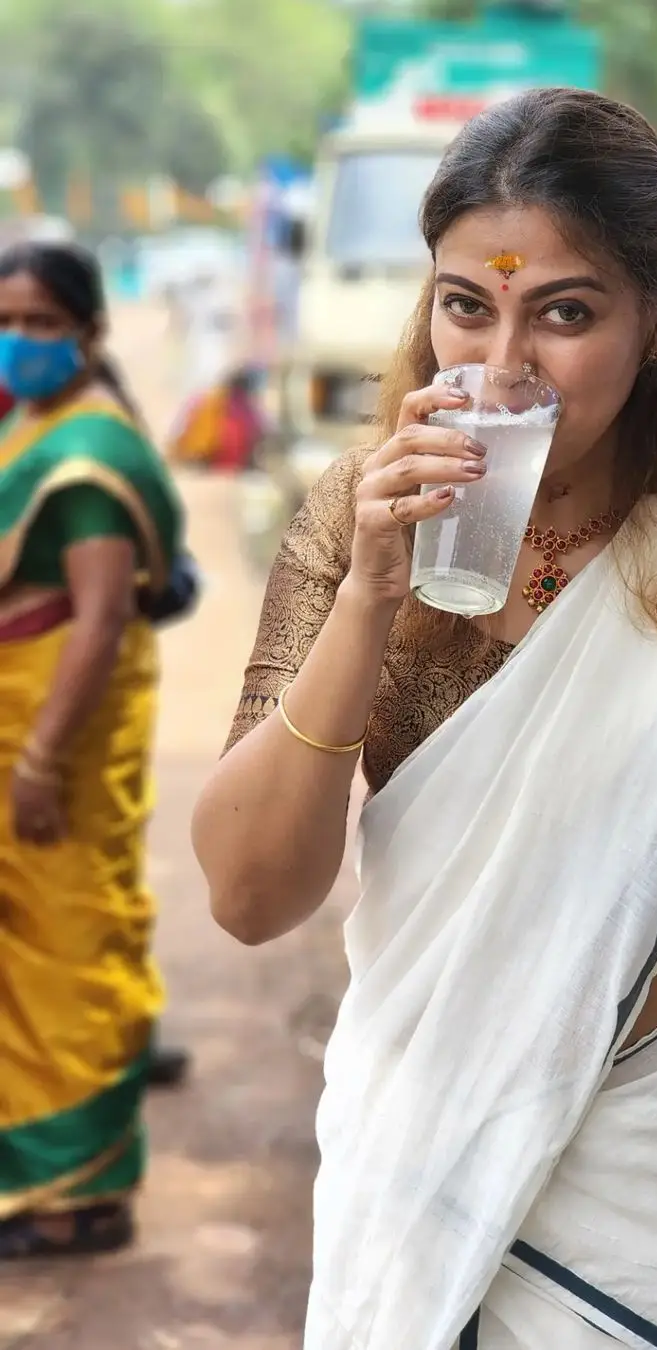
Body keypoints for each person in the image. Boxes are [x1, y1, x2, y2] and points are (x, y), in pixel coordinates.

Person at [194, 89, 657, 1349]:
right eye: (465, 304)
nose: (500, 368)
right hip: (421, 1149)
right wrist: (370, 595)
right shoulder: (353, 513)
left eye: (566, 314)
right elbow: (252, 899)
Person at [0, 241, 186, 1257]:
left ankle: (83, 1193)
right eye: (6, 321)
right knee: (27, 951)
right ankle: (35, 1170)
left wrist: (36, 762)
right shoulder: (33, 420)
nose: (19, 341)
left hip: (53, 730)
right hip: (20, 708)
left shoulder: (91, 456)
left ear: (85, 330)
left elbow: (102, 618)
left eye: (38, 322)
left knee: (69, 947)